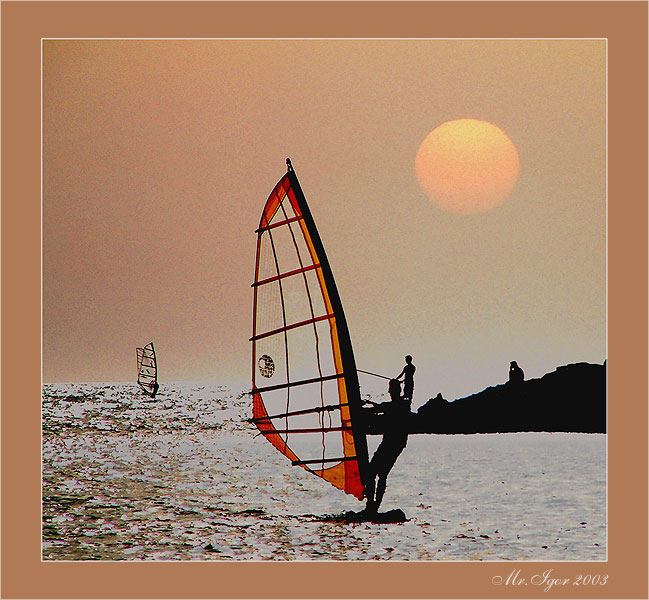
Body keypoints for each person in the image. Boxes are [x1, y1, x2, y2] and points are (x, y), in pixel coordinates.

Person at [363, 378, 410, 514]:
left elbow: (384, 407)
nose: (390, 391)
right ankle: (371, 504)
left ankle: (373, 506)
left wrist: (409, 374)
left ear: (396, 390)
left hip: (394, 444)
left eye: (392, 389)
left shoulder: (402, 404)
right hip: (390, 443)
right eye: (391, 389)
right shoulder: (395, 405)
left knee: (379, 473)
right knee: (374, 473)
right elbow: (380, 408)